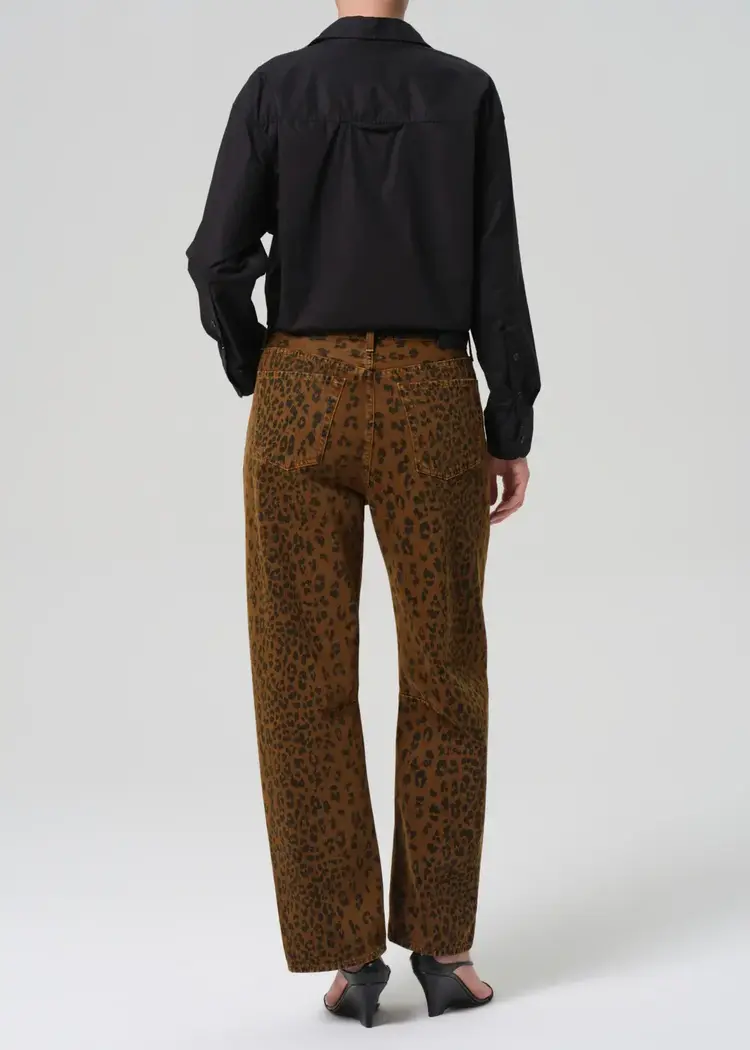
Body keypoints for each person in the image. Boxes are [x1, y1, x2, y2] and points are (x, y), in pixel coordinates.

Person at [186, 0, 540, 1027]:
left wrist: (260, 362)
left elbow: (215, 258)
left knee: (301, 675)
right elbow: (497, 271)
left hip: (302, 393)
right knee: (445, 666)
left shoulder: (275, 89)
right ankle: (445, 950)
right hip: (431, 395)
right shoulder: (466, 93)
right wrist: (508, 419)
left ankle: (350, 958)